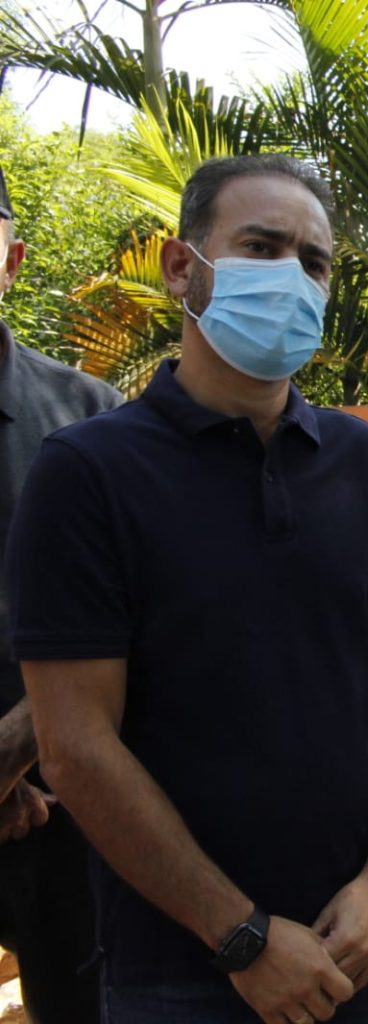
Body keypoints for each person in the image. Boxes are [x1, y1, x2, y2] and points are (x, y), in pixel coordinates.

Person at [7, 154, 368, 1022]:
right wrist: (241, 935)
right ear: (183, 267)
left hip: (353, 946)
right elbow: (76, 743)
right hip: (179, 969)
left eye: (313, 262)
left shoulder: (359, 462)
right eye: (261, 247)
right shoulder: (88, 472)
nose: (291, 278)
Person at [0, 166, 121, 1022]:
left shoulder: (89, 417)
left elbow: (130, 612)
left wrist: (13, 755)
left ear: (11, 261)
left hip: (65, 813)